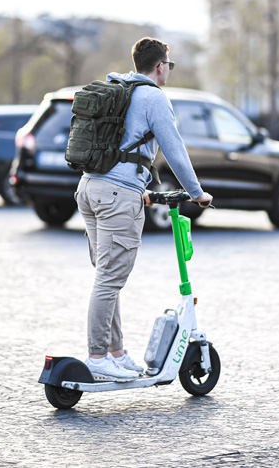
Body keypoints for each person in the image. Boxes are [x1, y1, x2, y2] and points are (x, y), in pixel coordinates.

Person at [75, 37, 214, 381]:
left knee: (108, 275)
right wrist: (197, 194)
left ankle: (115, 353)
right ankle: (96, 357)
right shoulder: (153, 96)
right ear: (161, 66)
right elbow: (175, 151)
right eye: (169, 64)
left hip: (90, 188)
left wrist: (146, 193)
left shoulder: (118, 87)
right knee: (110, 279)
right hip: (116, 195)